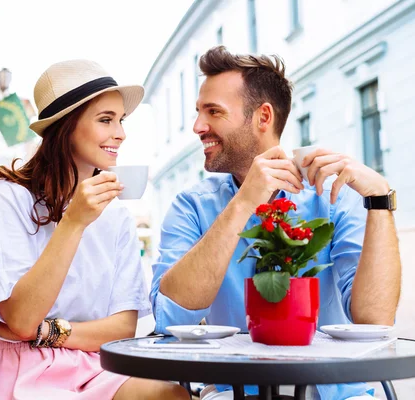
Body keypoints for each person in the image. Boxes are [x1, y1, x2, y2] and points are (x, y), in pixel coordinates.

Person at [150, 46, 402, 400]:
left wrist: (378, 200)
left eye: (213, 112)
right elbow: (171, 320)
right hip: (235, 393)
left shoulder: (332, 195)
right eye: (198, 112)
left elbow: (374, 319)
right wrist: (244, 202)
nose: (197, 127)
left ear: (263, 117)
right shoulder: (192, 206)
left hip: (336, 392)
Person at [0, 59, 188, 400]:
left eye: (121, 120)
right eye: (106, 120)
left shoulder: (116, 215)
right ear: (67, 125)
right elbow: (20, 319)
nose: (120, 133)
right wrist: (73, 222)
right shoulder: (7, 198)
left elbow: (122, 328)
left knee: (170, 395)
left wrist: (45, 331)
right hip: (11, 365)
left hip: (88, 365)